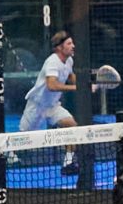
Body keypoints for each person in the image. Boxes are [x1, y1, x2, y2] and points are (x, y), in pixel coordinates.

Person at [19, 30, 83, 174]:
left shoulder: (69, 60)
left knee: (71, 125)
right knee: (23, 140)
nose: (73, 46)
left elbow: (72, 77)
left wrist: (85, 86)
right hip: (37, 106)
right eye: (69, 43)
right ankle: (11, 158)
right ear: (60, 47)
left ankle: (68, 163)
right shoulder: (52, 62)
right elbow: (52, 85)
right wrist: (76, 88)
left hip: (53, 106)